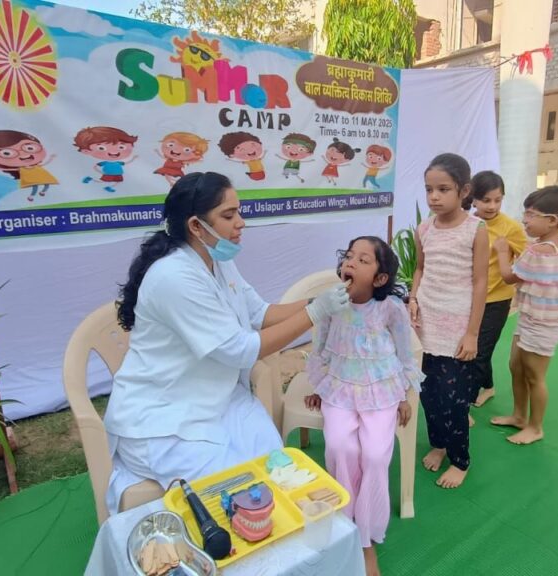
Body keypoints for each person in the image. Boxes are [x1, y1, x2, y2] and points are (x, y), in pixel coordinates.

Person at [102, 172, 351, 514]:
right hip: (162, 419)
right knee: (236, 493)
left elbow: (260, 313)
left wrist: (317, 301)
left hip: (219, 398)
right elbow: (241, 350)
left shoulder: (219, 260)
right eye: (229, 215)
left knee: (275, 466)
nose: (241, 222)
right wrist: (316, 313)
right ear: (196, 225)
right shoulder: (173, 277)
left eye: (239, 212)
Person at [303, 236, 422, 576]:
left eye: (363, 260)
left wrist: (403, 395)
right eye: (349, 256)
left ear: (380, 278)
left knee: (374, 455)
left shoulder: (391, 308)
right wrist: (319, 386)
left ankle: (367, 537)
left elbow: (405, 352)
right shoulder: (332, 303)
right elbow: (321, 346)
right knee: (340, 446)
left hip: (380, 389)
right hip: (339, 386)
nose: (351, 263)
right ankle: (345, 526)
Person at [409, 153, 489, 489]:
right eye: (429, 190)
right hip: (425, 326)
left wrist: (472, 334)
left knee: (454, 400)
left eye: (443, 189)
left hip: (457, 331)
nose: (434, 197)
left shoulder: (475, 229)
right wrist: (413, 298)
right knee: (428, 394)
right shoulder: (424, 228)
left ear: (464, 190)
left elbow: (480, 282)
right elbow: (420, 269)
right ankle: (439, 444)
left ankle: (460, 460)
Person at [490, 186, 558, 446]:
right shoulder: (557, 247)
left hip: (544, 323)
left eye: (531, 215)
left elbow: (509, 276)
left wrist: (502, 251)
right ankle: (519, 416)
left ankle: (535, 427)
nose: (525, 220)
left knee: (534, 375)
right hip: (532, 316)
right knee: (516, 366)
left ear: (552, 220)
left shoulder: (539, 251)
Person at [466, 171, 527, 409]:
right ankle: (488, 386)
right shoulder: (467, 224)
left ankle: (465, 402)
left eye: (498, 200)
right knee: (471, 348)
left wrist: (510, 270)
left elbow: (528, 259)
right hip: (469, 298)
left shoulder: (511, 228)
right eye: (486, 200)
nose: (492, 206)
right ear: (473, 199)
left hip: (497, 300)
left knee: (480, 351)